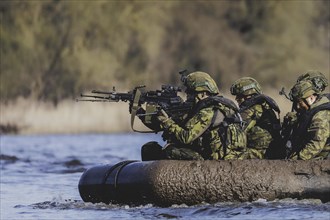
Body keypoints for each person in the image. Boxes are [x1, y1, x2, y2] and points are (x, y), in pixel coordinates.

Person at [139, 71, 245, 161]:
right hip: (226, 156)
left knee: (170, 150)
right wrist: (141, 112)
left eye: (191, 93)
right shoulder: (222, 106)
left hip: (216, 160)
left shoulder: (207, 112)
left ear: (203, 94)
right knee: (151, 147)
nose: (188, 97)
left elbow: (186, 137)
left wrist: (166, 121)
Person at [230, 77, 285, 159]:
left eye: (239, 96)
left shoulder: (254, 108)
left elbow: (236, 130)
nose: (236, 99)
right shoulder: (265, 106)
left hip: (263, 153)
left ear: (248, 95)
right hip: (272, 151)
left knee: (229, 155)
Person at [284, 80, 330, 160]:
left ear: (311, 98)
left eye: (300, 102)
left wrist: (296, 159)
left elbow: (315, 144)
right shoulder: (312, 109)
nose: (297, 107)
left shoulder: (321, 116)